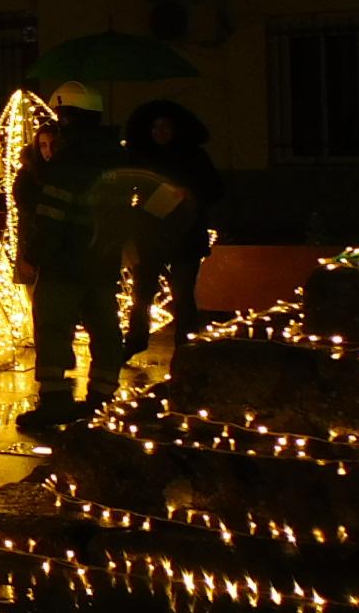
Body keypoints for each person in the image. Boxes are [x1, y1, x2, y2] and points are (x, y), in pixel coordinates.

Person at [16, 82, 128, 431]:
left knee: (52, 328)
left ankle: (55, 401)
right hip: (104, 261)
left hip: (65, 262)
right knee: (106, 329)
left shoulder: (70, 159)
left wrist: (33, 255)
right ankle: (103, 398)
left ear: (66, 115)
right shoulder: (116, 154)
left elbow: (53, 215)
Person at [122, 101, 224, 353]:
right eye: (155, 128)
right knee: (142, 293)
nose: (160, 133)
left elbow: (215, 190)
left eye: (166, 127)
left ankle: (187, 347)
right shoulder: (142, 157)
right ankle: (136, 340)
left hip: (186, 234)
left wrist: (189, 193)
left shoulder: (195, 157)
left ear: (177, 129)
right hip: (151, 234)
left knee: (183, 295)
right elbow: (128, 190)